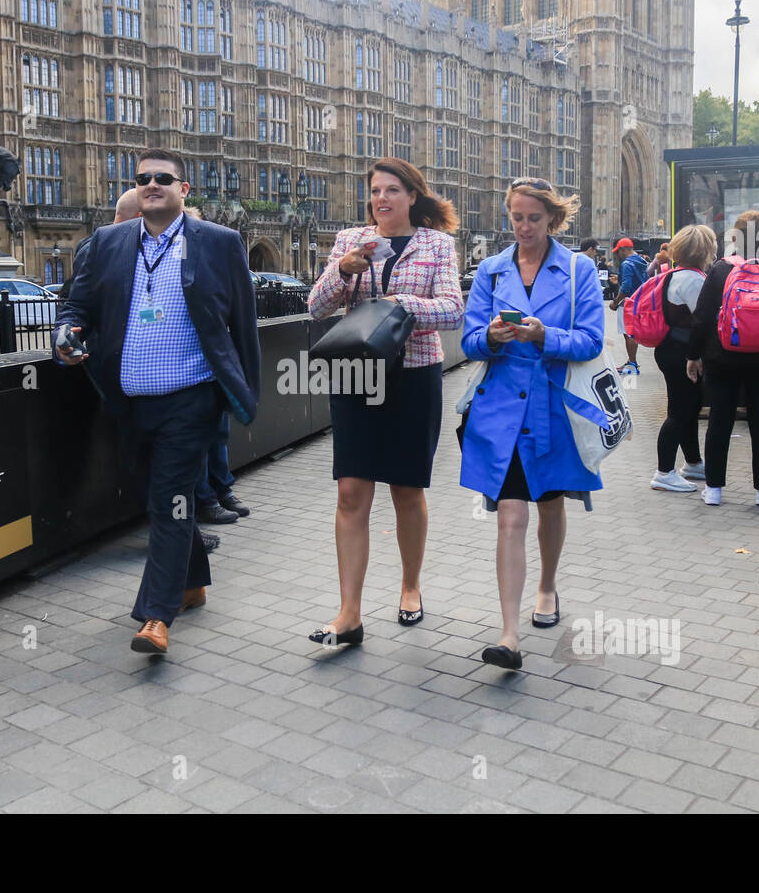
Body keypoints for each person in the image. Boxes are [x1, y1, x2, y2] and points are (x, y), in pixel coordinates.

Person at [53, 147, 260, 654]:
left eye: (163, 178)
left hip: (190, 400)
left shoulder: (219, 243)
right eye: (143, 178)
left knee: (169, 502)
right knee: (162, 498)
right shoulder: (106, 243)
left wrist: (244, 394)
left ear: (183, 190)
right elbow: (76, 305)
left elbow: (243, 325)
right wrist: (66, 334)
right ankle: (192, 585)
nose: (152, 184)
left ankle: (155, 617)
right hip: (128, 401)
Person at [305, 158, 462, 646]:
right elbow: (315, 307)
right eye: (375, 190)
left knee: (406, 490)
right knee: (351, 491)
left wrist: (400, 306)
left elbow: (454, 309)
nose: (382, 199)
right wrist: (343, 269)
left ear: (412, 196)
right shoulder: (350, 241)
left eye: (392, 190)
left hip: (415, 375)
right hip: (358, 376)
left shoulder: (437, 244)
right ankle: (349, 613)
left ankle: (410, 585)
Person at [460, 177, 604, 670]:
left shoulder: (579, 269)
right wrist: (493, 337)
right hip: (501, 411)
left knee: (551, 505)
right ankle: (509, 635)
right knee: (511, 515)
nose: (523, 227)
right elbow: (469, 340)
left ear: (553, 219)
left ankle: (547, 585)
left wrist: (545, 336)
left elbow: (590, 340)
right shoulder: (490, 270)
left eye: (534, 218)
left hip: (552, 410)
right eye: (516, 217)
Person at [686, 210, 759, 507]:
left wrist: (693, 355)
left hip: (722, 358)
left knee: (720, 420)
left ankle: (714, 489)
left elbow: (701, 318)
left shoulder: (720, 270)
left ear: (736, 237)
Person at [649, 225, 713, 493]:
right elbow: (703, 321)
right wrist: (696, 355)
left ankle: (693, 462)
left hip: (669, 348)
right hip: (683, 353)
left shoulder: (672, 275)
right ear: (703, 250)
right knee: (680, 410)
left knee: (688, 406)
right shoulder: (695, 280)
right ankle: (664, 472)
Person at [611, 237, 647, 375]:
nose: (617, 254)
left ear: (624, 249)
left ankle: (632, 365)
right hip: (639, 301)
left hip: (627, 303)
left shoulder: (626, 264)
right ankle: (632, 361)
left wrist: (615, 302)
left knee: (628, 334)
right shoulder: (641, 261)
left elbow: (626, 286)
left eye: (618, 251)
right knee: (632, 332)